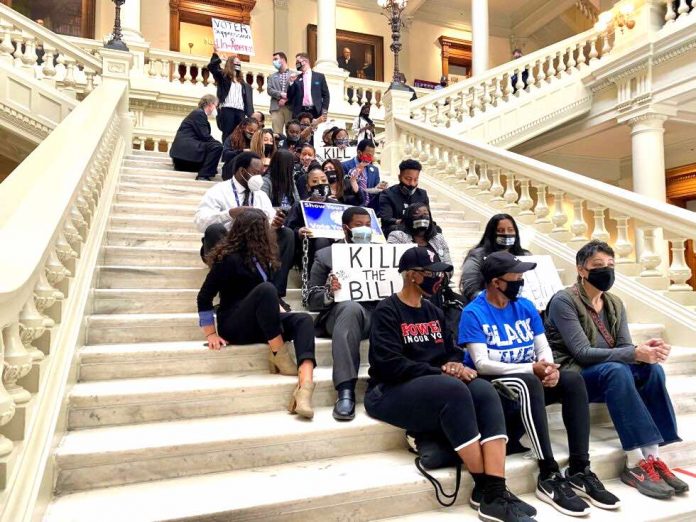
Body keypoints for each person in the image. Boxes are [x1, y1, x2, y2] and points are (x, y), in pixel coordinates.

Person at [366, 246, 536, 522]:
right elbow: (388, 363)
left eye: (441, 274)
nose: (439, 279)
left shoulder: (433, 310)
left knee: (483, 389)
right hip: (390, 389)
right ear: (411, 275)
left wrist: (455, 364)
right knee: (453, 389)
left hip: (434, 383)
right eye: (432, 274)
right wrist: (439, 371)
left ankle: (494, 490)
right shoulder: (388, 311)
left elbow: (451, 350)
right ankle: (489, 490)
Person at [459, 251, 621, 516]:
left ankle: (580, 468)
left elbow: (542, 346)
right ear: (496, 281)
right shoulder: (473, 312)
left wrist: (549, 368)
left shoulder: (524, 306)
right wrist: (531, 370)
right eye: (515, 276)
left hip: (528, 378)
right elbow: (482, 364)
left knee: (572, 380)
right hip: (494, 387)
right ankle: (548, 473)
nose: (521, 280)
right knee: (529, 383)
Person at [545, 240, 687, 499]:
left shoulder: (614, 303)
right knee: (617, 371)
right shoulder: (563, 301)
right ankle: (634, 463)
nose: (607, 271)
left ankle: (653, 457)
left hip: (606, 374)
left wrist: (645, 352)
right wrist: (634, 353)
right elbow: (582, 353)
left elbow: (623, 346)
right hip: (574, 376)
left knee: (652, 370)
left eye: (611, 265)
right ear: (581, 270)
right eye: (598, 265)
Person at [197, 208, 316, 419]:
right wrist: (210, 334)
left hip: (261, 324)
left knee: (304, 320)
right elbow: (204, 297)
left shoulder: (262, 257)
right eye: (265, 227)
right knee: (268, 289)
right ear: (254, 231)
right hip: (234, 325)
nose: (270, 230)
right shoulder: (228, 259)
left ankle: (305, 388)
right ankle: (279, 354)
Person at [194, 151, 295, 311]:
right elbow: (200, 222)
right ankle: (228, 294)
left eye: (261, 173)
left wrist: (274, 224)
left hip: (256, 246)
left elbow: (270, 220)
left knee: (287, 234)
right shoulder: (218, 191)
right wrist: (229, 213)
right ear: (242, 171)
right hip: (229, 245)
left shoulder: (260, 195)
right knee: (214, 229)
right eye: (255, 173)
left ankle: (275, 294)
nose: (259, 177)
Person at [307, 207, 375, 420]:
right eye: (358, 225)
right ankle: (345, 391)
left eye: (368, 225)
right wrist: (329, 291)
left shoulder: (382, 253)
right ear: (345, 228)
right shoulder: (326, 255)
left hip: (373, 316)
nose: (364, 229)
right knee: (350, 306)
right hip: (339, 316)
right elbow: (311, 300)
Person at [459, 214, 531, 306]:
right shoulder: (477, 256)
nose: (506, 234)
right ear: (491, 233)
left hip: (523, 310)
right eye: (500, 230)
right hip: (488, 310)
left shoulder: (526, 256)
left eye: (510, 230)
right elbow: (470, 288)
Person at [285, 165, 337, 273]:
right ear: (308, 187)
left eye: (323, 180)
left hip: (333, 245)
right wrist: (299, 231)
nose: (320, 184)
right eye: (315, 181)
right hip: (308, 246)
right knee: (321, 241)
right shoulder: (299, 205)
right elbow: (289, 228)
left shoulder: (335, 205)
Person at [169, 94, 223, 181]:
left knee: (215, 147)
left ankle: (206, 170)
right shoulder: (199, 114)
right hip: (184, 157)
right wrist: (219, 144)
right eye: (216, 106)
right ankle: (203, 176)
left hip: (185, 157)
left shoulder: (199, 114)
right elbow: (205, 136)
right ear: (210, 104)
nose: (216, 109)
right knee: (217, 147)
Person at [208, 50, 254, 145]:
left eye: (239, 62)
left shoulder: (243, 83)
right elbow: (212, 67)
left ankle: (236, 154)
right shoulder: (223, 77)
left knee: (240, 134)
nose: (238, 64)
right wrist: (217, 57)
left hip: (240, 111)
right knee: (227, 133)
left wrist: (250, 114)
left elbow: (248, 101)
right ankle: (226, 154)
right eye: (235, 62)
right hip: (227, 109)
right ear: (230, 63)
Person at [378, 159, 429, 238]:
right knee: (397, 230)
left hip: (419, 229)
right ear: (399, 177)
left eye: (415, 179)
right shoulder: (387, 194)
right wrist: (406, 221)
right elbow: (386, 219)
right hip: (395, 229)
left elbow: (428, 217)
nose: (412, 183)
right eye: (408, 179)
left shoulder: (422, 194)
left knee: (436, 230)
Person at [343, 139, 387, 208]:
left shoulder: (375, 170)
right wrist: (358, 169)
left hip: (370, 208)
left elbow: (375, 190)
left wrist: (379, 187)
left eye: (372, 155)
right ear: (359, 153)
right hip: (352, 206)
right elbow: (346, 189)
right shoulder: (345, 166)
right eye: (368, 155)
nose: (371, 158)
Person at [287, 52, 330, 119]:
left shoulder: (319, 77)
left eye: (298, 61)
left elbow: (326, 95)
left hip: (315, 111)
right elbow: (290, 96)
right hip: (300, 112)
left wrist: (324, 112)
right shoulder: (296, 78)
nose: (296, 64)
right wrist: (291, 82)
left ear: (304, 62)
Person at [268, 51, 293, 135]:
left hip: (290, 107)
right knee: (276, 133)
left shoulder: (294, 75)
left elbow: (297, 91)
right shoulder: (272, 76)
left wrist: (286, 99)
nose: (273, 62)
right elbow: (269, 90)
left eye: (275, 59)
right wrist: (281, 94)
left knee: (291, 131)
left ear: (282, 59)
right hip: (276, 107)